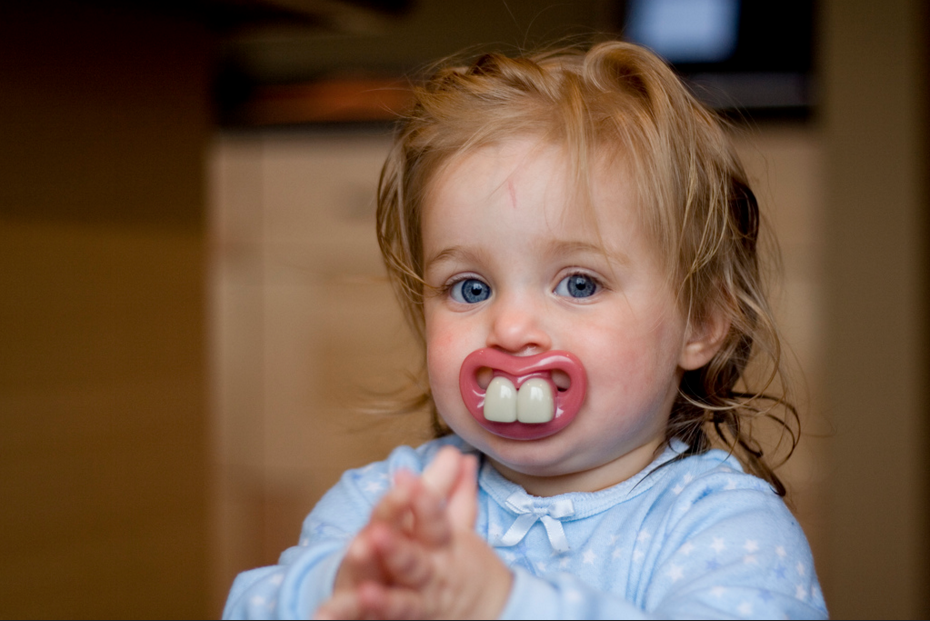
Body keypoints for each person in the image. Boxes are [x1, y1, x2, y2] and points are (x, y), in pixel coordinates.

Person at [223, 41, 828, 620]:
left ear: (701, 322)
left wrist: (506, 607)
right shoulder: (393, 505)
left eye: (580, 284)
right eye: (471, 289)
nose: (509, 328)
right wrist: (341, 589)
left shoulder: (723, 529)